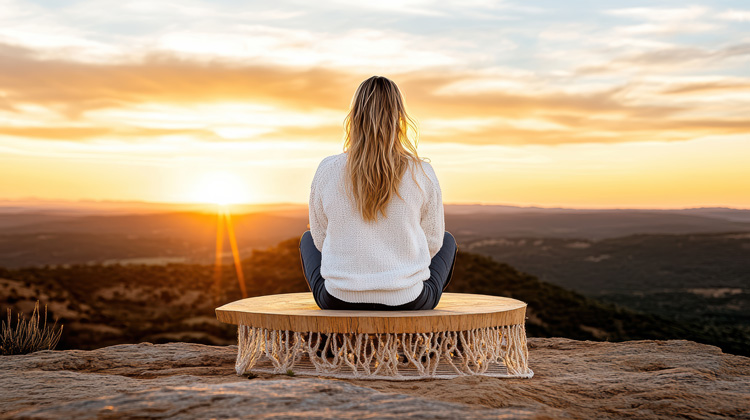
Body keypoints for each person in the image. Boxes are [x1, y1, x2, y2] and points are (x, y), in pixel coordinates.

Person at [299, 75, 457, 311]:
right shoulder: (421, 172)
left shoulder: (328, 168)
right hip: (408, 300)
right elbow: (432, 243)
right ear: (399, 119)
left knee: (306, 239)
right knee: (448, 240)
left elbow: (320, 239)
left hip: (338, 299)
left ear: (354, 117)